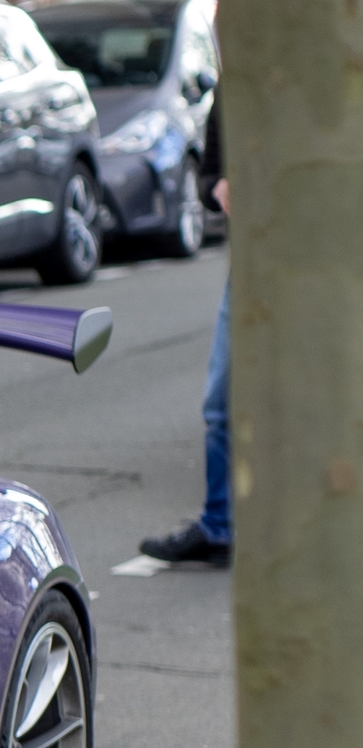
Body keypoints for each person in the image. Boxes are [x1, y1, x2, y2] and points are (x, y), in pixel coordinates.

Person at [140, 91, 231, 567]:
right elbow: (209, 174)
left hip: (322, 270)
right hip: (253, 270)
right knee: (221, 404)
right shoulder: (232, 89)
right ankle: (220, 525)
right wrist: (219, 189)